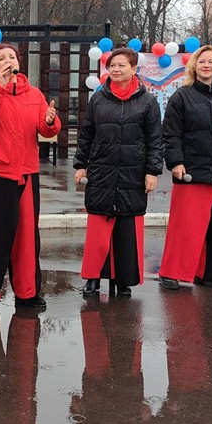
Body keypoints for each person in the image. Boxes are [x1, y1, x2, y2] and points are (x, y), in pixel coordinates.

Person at [0, 43, 61, 314]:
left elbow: (47, 129)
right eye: (2, 58)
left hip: (27, 172)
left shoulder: (35, 94)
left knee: (27, 237)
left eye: (12, 57)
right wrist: (0, 86)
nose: (8, 60)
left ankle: (27, 293)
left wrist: (51, 121)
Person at [73, 47, 163, 297]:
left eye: (122, 65)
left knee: (127, 230)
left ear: (134, 69)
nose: (116, 69)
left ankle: (124, 279)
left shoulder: (147, 101)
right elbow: (87, 135)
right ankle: (92, 277)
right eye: (112, 65)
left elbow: (155, 139)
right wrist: (80, 165)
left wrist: (152, 171)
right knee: (98, 229)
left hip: (133, 173)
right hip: (102, 171)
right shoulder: (98, 99)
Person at [157, 45, 212, 291]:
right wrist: (175, 162)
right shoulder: (182, 96)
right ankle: (171, 272)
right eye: (202, 61)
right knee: (185, 228)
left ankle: (210, 273)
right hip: (191, 173)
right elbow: (170, 134)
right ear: (194, 65)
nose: (207, 65)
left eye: (211, 62)